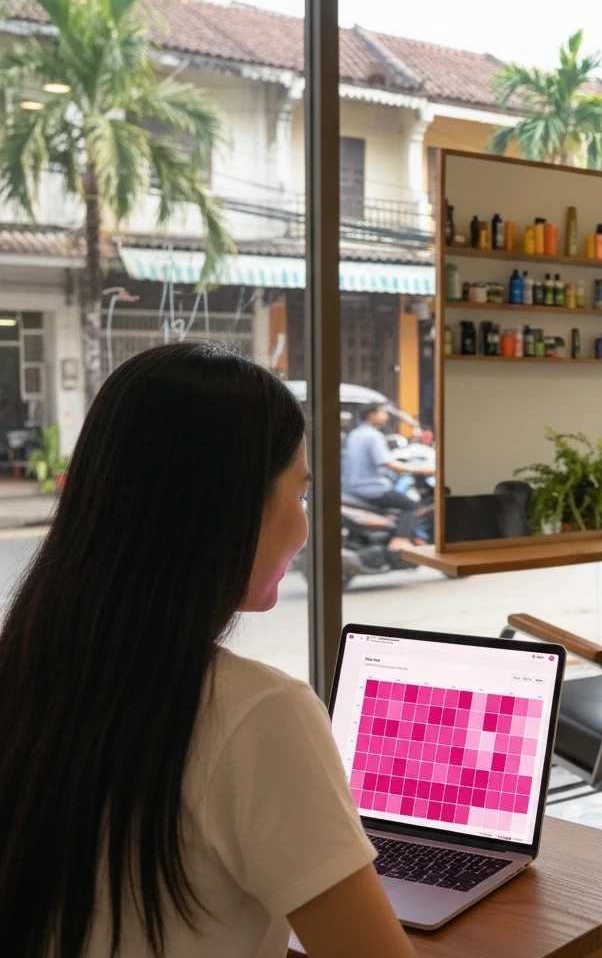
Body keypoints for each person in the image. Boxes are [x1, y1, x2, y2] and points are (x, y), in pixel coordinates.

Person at [0, 343, 415, 958]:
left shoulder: (30, 670)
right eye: (299, 495)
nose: (304, 527)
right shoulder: (258, 713)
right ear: (229, 505)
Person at [342, 402, 433, 552]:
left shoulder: (355, 434)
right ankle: (400, 540)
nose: (386, 416)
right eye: (382, 412)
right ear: (371, 414)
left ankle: (409, 537)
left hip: (351, 488)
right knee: (411, 506)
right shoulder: (373, 435)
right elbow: (387, 463)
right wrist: (421, 470)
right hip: (372, 489)